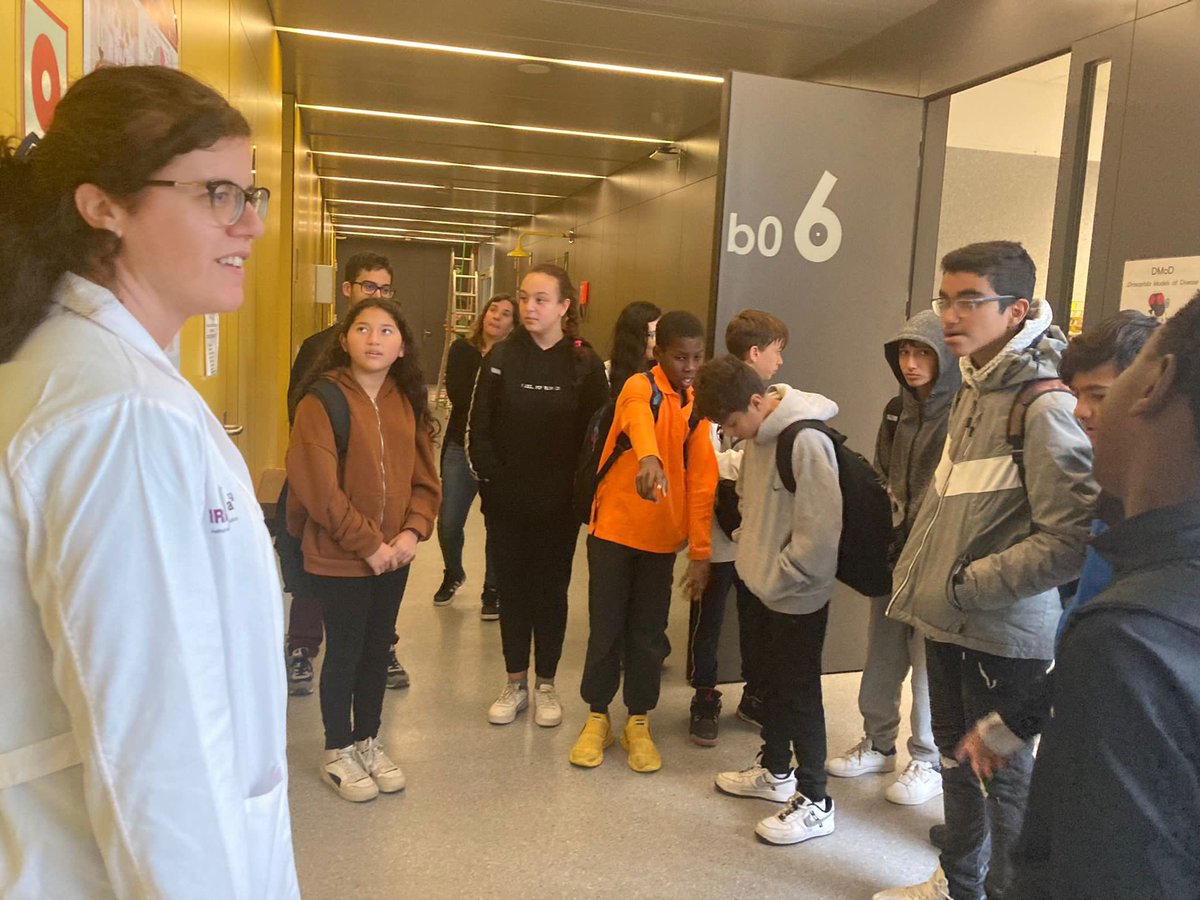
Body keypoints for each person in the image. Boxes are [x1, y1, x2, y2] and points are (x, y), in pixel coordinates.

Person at [0, 65, 298, 896]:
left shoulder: (76, 372)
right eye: (217, 194)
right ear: (105, 206)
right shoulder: (119, 416)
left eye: (252, 193)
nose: (251, 226)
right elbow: (160, 750)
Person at [874, 241, 1096, 900]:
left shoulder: (1043, 403)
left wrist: (965, 584)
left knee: (1001, 783)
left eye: (969, 300)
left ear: (1017, 308)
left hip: (1000, 635)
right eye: (945, 298)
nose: (949, 314)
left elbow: (1071, 538)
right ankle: (957, 885)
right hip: (951, 623)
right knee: (953, 762)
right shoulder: (974, 384)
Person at [1006, 291, 1200, 898]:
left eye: (1098, 392)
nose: (1083, 410)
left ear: (1155, 382)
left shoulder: (1133, 640)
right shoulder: (1129, 544)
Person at [952, 310, 1158, 797]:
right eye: (1078, 394)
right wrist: (1019, 721)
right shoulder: (1114, 493)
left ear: (1151, 392)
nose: (1081, 411)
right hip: (1082, 709)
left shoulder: (1167, 514)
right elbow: (1086, 628)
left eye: (1099, 396)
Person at [286, 297, 440, 802]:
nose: (375, 339)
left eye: (387, 331)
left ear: (402, 347)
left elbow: (424, 478)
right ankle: (337, 749)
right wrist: (368, 544)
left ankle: (369, 739)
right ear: (345, 339)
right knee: (346, 651)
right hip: (342, 555)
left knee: (379, 648)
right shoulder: (322, 400)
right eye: (364, 329)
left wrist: (411, 533)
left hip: (394, 555)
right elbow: (318, 488)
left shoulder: (406, 400)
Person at [697, 355, 842, 846]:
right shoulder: (757, 437)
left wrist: (783, 576)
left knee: (800, 693)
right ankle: (776, 770)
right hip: (758, 585)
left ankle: (817, 799)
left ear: (758, 402)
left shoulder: (806, 440)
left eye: (733, 422)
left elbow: (821, 535)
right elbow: (750, 507)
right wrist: (750, 561)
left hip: (796, 596)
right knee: (770, 687)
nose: (732, 433)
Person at [570, 311, 717, 772]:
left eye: (697, 357)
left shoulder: (696, 406)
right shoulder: (640, 386)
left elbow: (701, 484)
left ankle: (638, 719)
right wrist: (649, 457)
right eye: (680, 357)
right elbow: (636, 420)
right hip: (612, 531)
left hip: (660, 540)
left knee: (648, 635)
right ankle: (597, 716)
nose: (690, 366)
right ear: (658, 353)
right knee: (606, 626)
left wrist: (700, 553)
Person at [825, 311, 959, 807]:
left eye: (922, 352)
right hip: (891, 553)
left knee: (929, 666)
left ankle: (926, 759)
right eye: (904, 352)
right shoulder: (893, 410)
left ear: (944, 356)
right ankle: (878, 743)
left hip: (934, 558)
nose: (911, 363)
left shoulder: (962, 410)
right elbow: (884, 476)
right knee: (881, 656)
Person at [468, 263, 608, 727]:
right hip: (508, 502)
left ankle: (547, 683)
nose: (529, 307)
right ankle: (514, 683)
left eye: (541, 299)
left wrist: (580, 496)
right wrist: (493, 481)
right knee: (513, 590)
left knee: (551, 592)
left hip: (560, 506)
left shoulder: (584, 363)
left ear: (565, 307)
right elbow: (479, 428)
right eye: (524, 297)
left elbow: (597, 436)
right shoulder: (501, 356)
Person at [286, 251, 399, 693]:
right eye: (369, 286)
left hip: (374, 489)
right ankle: (302, 647)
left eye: (385, 289)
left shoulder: (393, 350)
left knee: (377, 572)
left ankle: (383, 646)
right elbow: (297, 415)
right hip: (326, 483)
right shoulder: (317, 348)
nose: (377, 295)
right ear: (347, 289)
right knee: (313, 564)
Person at [687, 309, 789, 746]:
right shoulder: (708, 396)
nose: (779, 362)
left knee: (757, 620)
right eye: (775, 352)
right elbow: (705, 467)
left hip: (757, 534)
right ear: (754, 352)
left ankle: (756, 694)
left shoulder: (773, 401)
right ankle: (704, 696)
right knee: (707, 619)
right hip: (716, 535)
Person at [432, 293, 515, 618]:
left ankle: (492, 589)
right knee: (449, 521)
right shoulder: (462, 350)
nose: (497, 316)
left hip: (499, 450)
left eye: (506, 313)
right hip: (459, 446)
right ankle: (453, 572)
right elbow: (459, 393)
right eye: (493, 309)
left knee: (498, 523)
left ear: (513, 323)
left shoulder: (514, 356)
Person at [606, 299, 661, 397]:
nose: (658, 341)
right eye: (652, 334)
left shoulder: (665, 371)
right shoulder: (606, 373)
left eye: (660, 332)